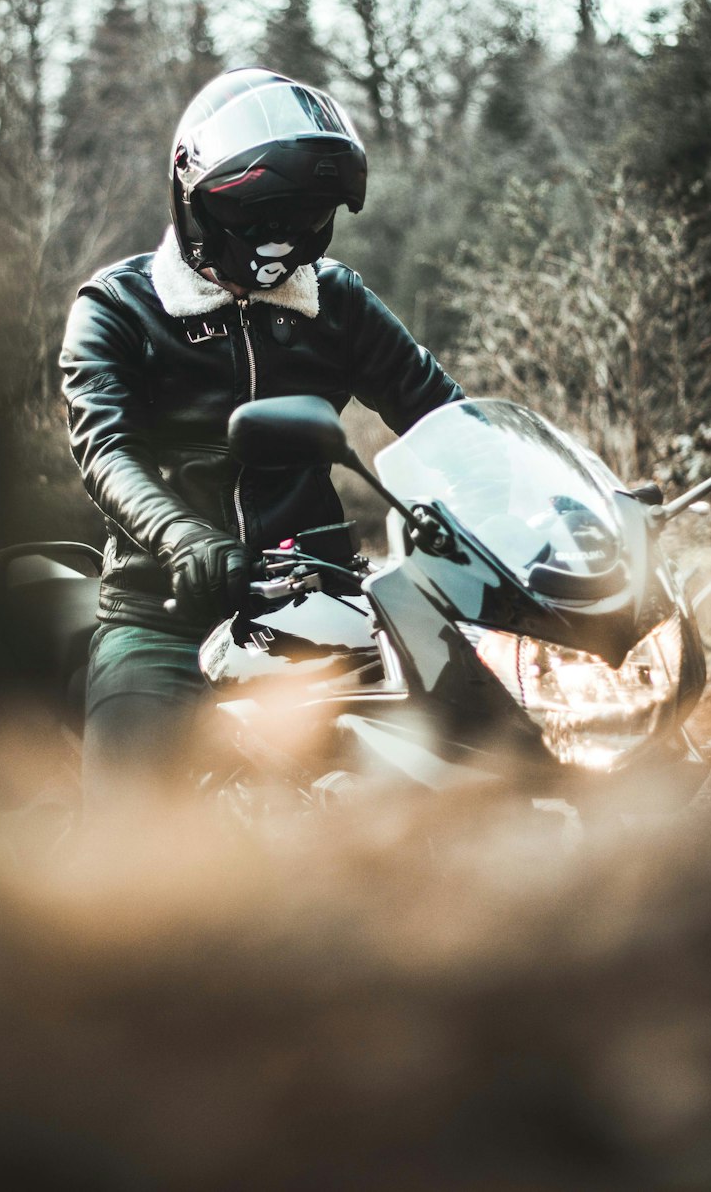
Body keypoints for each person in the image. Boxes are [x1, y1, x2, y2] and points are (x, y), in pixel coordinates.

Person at [59, 67, 464, 792]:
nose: (279, 239)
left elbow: (442, 415)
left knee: (427, 783)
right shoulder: (118, 306)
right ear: (197, 202)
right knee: (131, 829)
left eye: (302, 216)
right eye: (260, 217)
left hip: (323, 605)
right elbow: (106, 449)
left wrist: (543, 509)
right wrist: (183, 538)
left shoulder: (334, 301)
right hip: (164, 611)